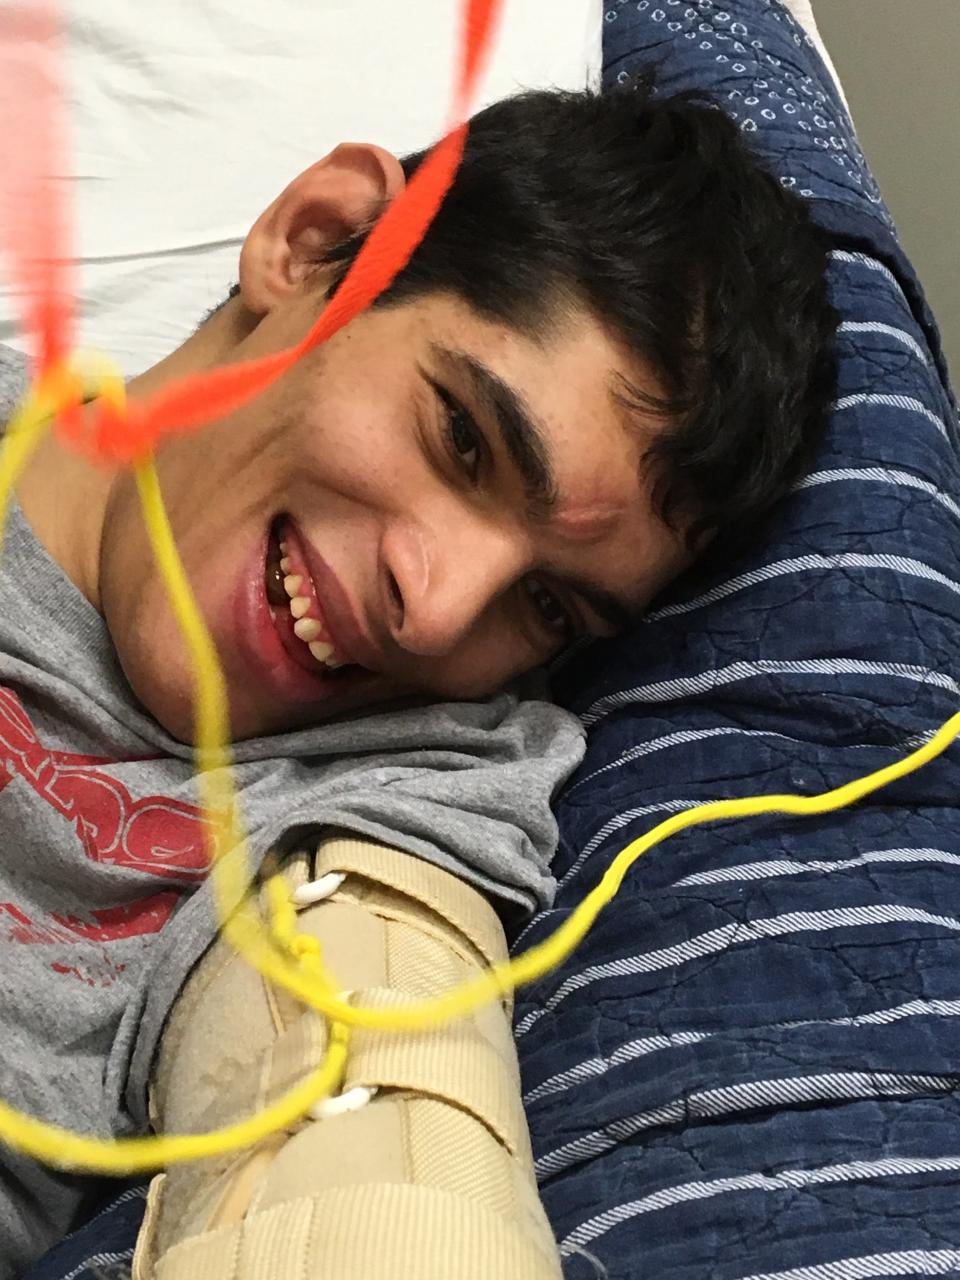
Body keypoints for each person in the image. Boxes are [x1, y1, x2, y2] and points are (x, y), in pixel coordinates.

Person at [0, 77, 837, 1278]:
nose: (435, 612)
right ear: (316, 240)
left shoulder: (427, 775)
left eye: (543, 603)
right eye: (462, 438)